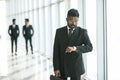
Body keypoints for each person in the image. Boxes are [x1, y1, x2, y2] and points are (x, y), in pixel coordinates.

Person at [53, 9, 93, 80]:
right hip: (62, 66)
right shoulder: (59, 32)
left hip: (76, 67)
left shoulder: (82, 32)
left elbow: (90, 47)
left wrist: (76, 48)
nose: (74, 23)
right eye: (71, 20)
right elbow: (56, 51)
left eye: (76, 21)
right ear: (66, 19)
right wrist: (56, 68)